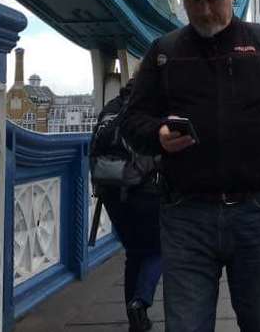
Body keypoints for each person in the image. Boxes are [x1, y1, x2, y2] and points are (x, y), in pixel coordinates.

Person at [122, 0, 260, 332]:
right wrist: (158, 135)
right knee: (186, 326)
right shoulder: (164, 52)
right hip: (186, 215)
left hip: (258, 212)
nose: (205, 10)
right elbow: (132, 121)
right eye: (195, 0)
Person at [89, 78, 161, 332]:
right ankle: (140, 302)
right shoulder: (149, 109)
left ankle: (135, 321)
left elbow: (92, 150)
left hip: (110, 193)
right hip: (143, 191)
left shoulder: (110, 108)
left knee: (134, 253)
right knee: (159, 248)